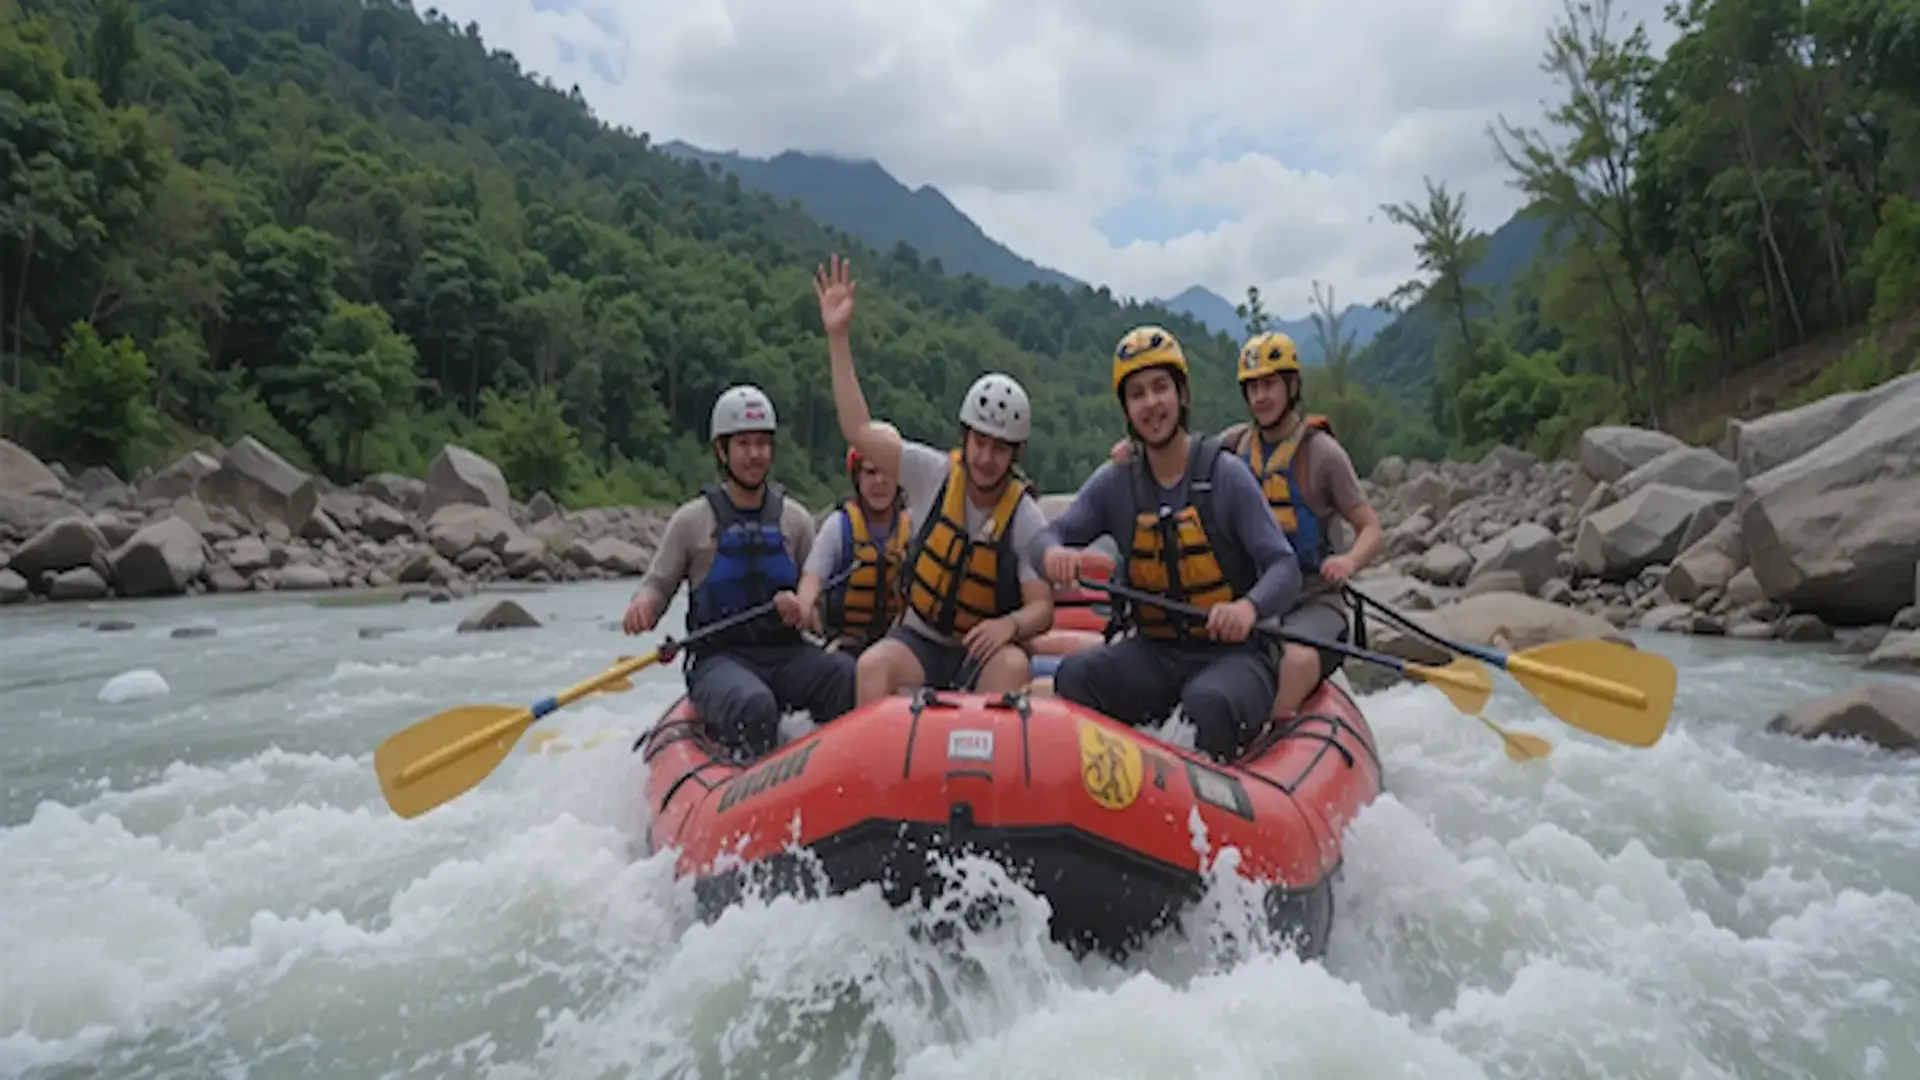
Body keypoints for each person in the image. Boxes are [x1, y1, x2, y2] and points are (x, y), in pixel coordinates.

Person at [1032, 325, 1303, 762]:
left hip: (1235, 655)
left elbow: (1283, 568)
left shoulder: (1225, 477)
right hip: (1155, 651)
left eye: (1161, 388)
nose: (1151, 403)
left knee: (1208, 704)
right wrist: (1052, 552)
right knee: (1077, 677)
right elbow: (1048, 535)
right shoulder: (1116, 482)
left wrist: (1247, 608)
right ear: (1126, 409)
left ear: (1182, 395)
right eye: (1137, 394)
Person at [813, 253, 1055, 703]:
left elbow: (1042, 607)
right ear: (965, 437)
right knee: (872, 667)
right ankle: (878, 773)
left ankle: (991, 768)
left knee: (1014, 665)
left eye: (1000, 447)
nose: (986, 457)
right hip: (920, 640)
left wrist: (1010, 625)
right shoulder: (931, 474)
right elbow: (859, 431)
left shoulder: (1024, 516)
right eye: (979, 442)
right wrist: (838, 337)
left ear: (1015, 453)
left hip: (982, 649)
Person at [1107, 330, 1382, 715]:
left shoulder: (1323, 454)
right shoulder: (1234, 444)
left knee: (1298, 661)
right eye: (1252, 388)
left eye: (1269, 384)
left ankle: (1273, 735)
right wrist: (1135, 449)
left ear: (1292, 385)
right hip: (1261, 595)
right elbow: (1178, 451)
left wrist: (1349, 562)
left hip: (1314, 597)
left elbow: (1370, 527)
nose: (1260, 397)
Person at [622, 385, 857, 760]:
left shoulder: (794, 521)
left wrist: (802, 611)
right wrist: (643, 607)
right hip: (719, 661)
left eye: (763, 444)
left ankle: (835, 774)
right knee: (754, 705)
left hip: (785, 653)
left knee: (846, 677)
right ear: (722, 450)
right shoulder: (692, 521)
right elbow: (657, 585)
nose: (755, 454)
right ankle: (745, 791)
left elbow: (818, 613)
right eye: (744, 444)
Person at [794, 422, 912, 655]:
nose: (880, 481)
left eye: (887, 472)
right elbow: (812, 579)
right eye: (870, 472)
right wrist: (804, 607)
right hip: (845, 645)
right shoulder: (838, 526)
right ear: (857, 477)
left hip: (898, 647)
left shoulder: (915, 527)